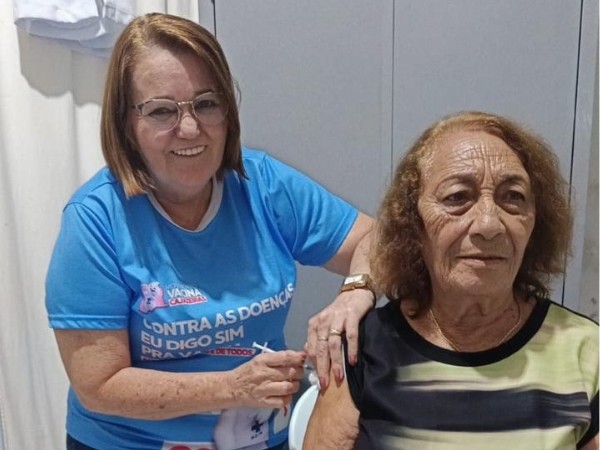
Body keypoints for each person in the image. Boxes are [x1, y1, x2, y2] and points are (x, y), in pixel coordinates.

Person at [45, 12, 376, 450]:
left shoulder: (264, 185)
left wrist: (356, 290)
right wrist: (231, 387)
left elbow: (378, 241)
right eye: (162, 111)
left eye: (206, 103)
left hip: (257, 438)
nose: (190, 128)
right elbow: (99, 386)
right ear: (126, 124)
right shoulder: (95, 219)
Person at [303, 111, 599, 450]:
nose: (489, 225)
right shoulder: (364, 347)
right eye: (457, 197)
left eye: (513, 197)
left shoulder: (583, 348)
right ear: (413, 225)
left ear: (535, 223)